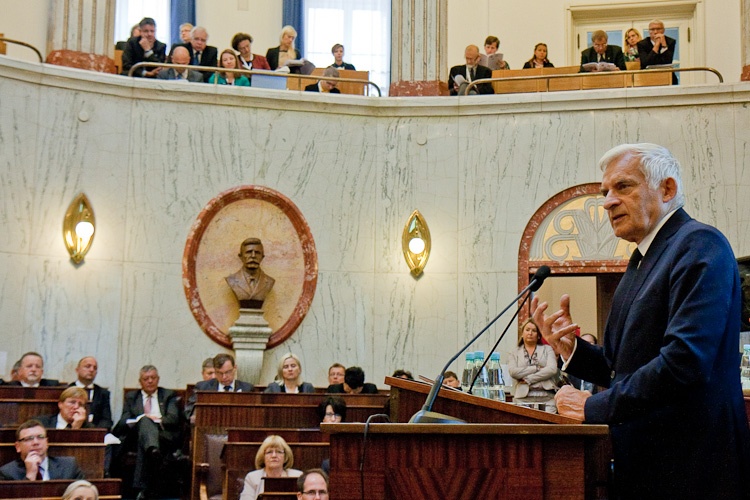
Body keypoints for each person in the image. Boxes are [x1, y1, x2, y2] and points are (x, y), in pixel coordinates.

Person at [531, 143, 750, 499]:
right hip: (645, 463)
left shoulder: (699, 244)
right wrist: (574, 351)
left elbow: (684, 362)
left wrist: (593, 407)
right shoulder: (641, 259)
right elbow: (624, 368)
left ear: (667, 189)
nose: (607, 202)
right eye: (605, 192)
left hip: (693, 468)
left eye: (623, 186)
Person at [112, 365, 181, 498]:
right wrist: (139, 420)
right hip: (136, 436)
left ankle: (140, 488)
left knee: (145, 434)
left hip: (162, 435)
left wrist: (155, 419)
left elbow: (173, 419)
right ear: (140, 381)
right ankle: (152, 450)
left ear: (158, 379)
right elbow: (123, 421)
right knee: (144, 422)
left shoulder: (168, 395)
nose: (150, 381)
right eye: (146, 379)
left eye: (153, 378)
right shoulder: (132, 397)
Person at [0, 419, 84, 480]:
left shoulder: (69, 466)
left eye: (40, 437)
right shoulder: (7, 473)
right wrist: (30, 476)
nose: (36, 442)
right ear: (18, 447)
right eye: (29, 439)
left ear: (47, 442)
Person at [508, 318, 558, 412]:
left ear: (538, 335)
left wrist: (529, 379)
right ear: (522, 334)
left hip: (546, 397)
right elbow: (513, 372)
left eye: (534, 330)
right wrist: (536, 368)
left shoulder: (547, 349)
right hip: (523, 398)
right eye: (527, 330)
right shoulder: (514, 352)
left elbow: (552, 369)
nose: (530, 333)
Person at [185, 353, 254, 420]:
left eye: (228, 372)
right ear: (215, 371)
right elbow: (188, 413)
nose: (224, 377)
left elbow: (252, 415)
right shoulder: (203, 387)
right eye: (219, 373)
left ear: (235, 368)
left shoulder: (247, 389)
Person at [239, 435, 302, 500]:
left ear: (285, 457)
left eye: (279, 452)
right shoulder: (253, 478)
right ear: (263, 456)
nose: (274, 455)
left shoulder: (298, 476)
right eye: (269, 452)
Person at [225, 238, 276, 305]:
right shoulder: (232, 280)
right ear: (240, 256)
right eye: (248, 252)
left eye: (257, 253)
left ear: (262, 257)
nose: (253, 256)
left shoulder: (269, 281)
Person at [69, 356, 113, 429]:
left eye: (95, 368)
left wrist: (93, 432)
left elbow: (106, 420)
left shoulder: (103, 393)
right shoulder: (67, 390)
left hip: (96, 431)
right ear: (77, 370)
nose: (91, 370)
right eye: (88, 366)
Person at [638, 19, 678, 84]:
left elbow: (667, 61)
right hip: (648, 76)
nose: (655, 32)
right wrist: (657, 45)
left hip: (667, 76)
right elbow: (646, 63)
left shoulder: (670, 42)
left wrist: (664, 45)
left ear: (663, 30)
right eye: (652, 29)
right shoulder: (642, 44)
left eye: (658, 29)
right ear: (649, 31)